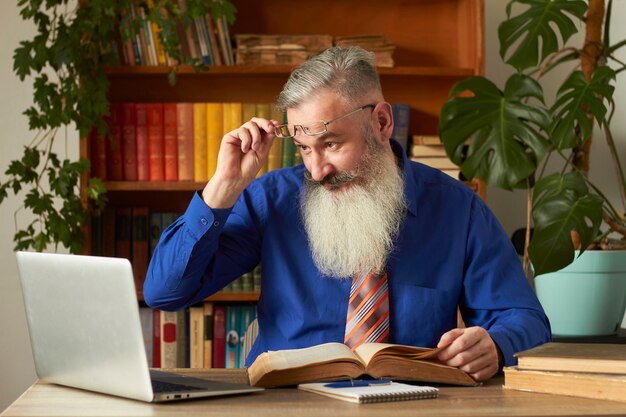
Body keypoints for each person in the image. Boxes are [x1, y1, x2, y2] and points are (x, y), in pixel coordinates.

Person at [144, 46, 551, 381]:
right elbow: (166, 293)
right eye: (304, 148)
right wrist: (222, 189)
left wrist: (495, 345)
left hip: (411, 408)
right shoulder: (272, 199)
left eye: (331, 143)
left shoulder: (458, 209)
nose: (317, 170)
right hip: (285, 406)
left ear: (382, 122)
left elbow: (526, 318)